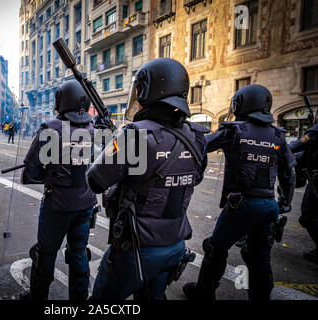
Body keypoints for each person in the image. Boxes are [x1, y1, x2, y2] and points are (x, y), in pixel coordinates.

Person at [86, 58, 209, 300]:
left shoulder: (134, 135)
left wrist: (106, 143)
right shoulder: (197, 137)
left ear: (146, 90)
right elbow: (195, 178)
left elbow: (95, 180)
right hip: (175, 245)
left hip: (136, 250)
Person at [183, 84, 296, 300]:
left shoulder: (234, 130)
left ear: (241, 104)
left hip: (240, 206)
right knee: (260, 257)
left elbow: (201, 145)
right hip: (268, 205)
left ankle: (203, 293)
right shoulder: (277, 135)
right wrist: (285, 202)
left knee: (216, 248)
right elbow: (289, 174)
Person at [20, 80, 98, 301]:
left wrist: (51, 176)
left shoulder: (50, 129)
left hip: (57, 206)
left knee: (46, 254)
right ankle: (80, 299)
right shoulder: (95, 130)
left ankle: (38, 297)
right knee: (79, 253)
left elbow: (32, 170)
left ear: (61, 101)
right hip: (86, 204)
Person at [289, 120, 318, 264]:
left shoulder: (315, 131)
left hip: (317, 179)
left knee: (308, 215)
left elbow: (300, 143)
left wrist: (281, 149)